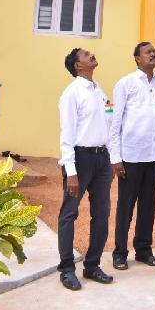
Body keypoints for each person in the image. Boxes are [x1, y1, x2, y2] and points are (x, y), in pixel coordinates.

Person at [109, 42, 155, 271]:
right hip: (130, 155)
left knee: (148, 206)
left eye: (154, 51)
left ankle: (143, 250)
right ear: (137, 58)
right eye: (147, 52)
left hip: (152, 157)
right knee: (126, 206)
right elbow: (115, 122)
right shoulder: (126, 83)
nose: (153, 54)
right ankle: (120, 253)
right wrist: (115, 157)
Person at [57, 48, 113, 291]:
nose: (92, 55)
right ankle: (67, 269)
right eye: (86, 54)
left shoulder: (99, 91)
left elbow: (108, 126)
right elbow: (66, 134)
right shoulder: (72, 93)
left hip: (102, 159)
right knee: (69, 214)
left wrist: (111, 160)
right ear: (78, 66)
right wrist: (70, 170)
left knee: (101, 214)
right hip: (80, 159)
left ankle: (92, 265)